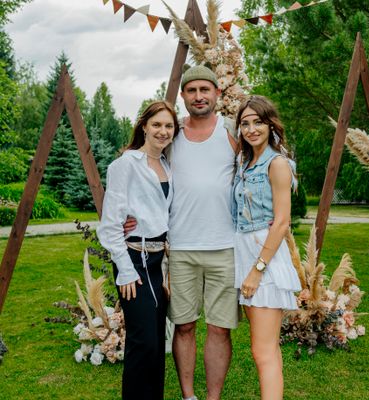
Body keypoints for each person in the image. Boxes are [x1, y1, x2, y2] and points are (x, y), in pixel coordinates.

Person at [124, 65, 238, 400]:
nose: (199, 96)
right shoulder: (172, 134)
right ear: (184, 96)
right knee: (184, 325)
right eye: (192, 90)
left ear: (217, 93)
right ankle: (189, 396)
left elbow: (266, 161)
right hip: (181, 248)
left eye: (205, 89)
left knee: (219, 328)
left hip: (225, 247)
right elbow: (142, 168)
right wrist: (129, 214)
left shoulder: (232, 130)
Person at [97, 100, 179, 400]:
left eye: (168, 126)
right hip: (133, 259)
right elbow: (110, 225)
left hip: (158, 262)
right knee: (142, 342)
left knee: (156, 342)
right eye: (156, 124)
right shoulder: (125, 165)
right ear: (144, 126)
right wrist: (126, 270)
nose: (162, 131)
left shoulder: (167, 165)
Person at [231, 95, 301, 399]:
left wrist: (257, 270)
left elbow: (282, 222)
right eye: (245, 123)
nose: (251, 129)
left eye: (258, 122)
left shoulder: (277, 164)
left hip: (264, 258)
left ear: (270, 124)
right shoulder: (245, 163)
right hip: (245, 252)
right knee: (263, 348)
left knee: (264, 351)